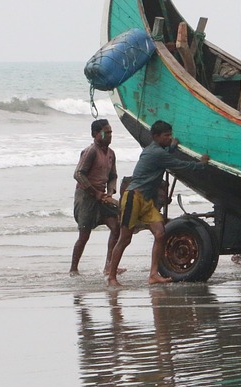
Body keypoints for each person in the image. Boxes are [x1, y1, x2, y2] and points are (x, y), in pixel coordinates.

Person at [106, 120, 210, 286]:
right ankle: (111, 277)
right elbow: (179, 165)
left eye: (170, 135)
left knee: (160, 233)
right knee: (124, 239)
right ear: (156, 136)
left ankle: (153, 274)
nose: (170, 138)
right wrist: (202, 164)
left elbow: (166, 154)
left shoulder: (155, 150)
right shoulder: (157, 153)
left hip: (146, 200)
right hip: (134, 197)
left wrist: (172, 147)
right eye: (166, 135)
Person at [70, 119, 121, 277]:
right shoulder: (90, 151)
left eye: (111, 132)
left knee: (116, 226)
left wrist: (110, 192)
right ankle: (73, 268)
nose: (110, 135)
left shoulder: (111, 154)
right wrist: (95, 193)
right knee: (84, 235)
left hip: (102, 197)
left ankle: (109, 266)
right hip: (86, 196)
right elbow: (78, 174)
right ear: (95, 134)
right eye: (107, 132)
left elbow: (113, 176)